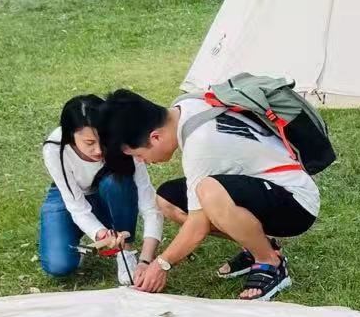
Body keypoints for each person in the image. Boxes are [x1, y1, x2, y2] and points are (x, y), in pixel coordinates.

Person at [99, 88, 319, 302]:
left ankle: (270, 262)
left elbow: (198, 225)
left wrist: (161, 264)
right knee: (167, 199)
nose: (141, 161)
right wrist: (149, 261)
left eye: (138, 154)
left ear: (155, 137)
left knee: (209, 191)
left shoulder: (199, 143)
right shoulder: (185, 105)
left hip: (295, 203)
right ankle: (258, 245)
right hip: (262, 184)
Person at [39, 95, 162, 286]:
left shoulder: (122, 140)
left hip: (111, 192)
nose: (98, 150)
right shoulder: (55, 148)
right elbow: (76, 206)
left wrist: (146, 260)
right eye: (89, 143)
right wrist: (99, 233)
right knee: (59, 265)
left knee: (116, 182)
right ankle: (82, 236)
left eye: (103, 140)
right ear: (70, 136)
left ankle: (125, 251)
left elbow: (150, 204)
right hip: (72, 195)